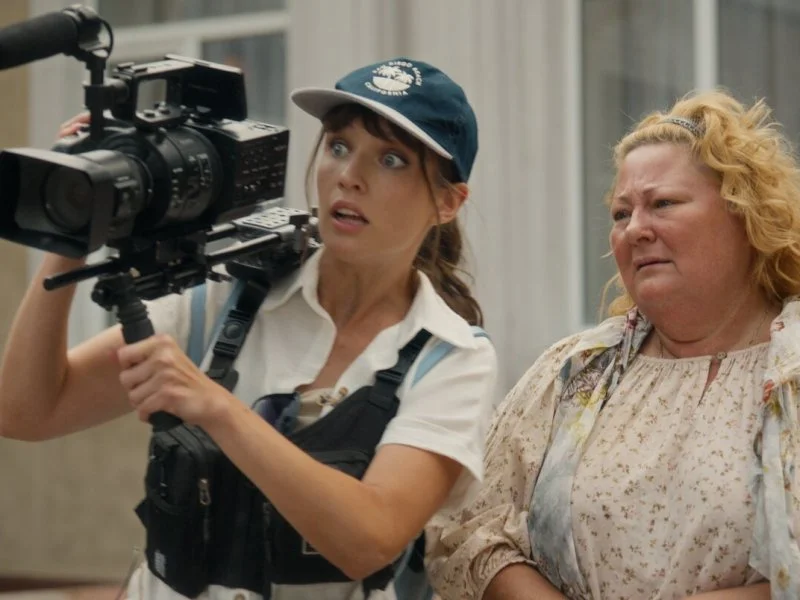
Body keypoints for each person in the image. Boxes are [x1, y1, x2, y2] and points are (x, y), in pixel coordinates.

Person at [0, 57, 498, 600]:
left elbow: (368, 539)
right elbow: (26, 411)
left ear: (447, 202)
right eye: (338, 146)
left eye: (392, 160)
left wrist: (216, 407)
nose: (349, 176)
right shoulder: (224, 295)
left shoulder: (451, 357)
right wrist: (73, 223)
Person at [426, 89, 800, 600]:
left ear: (744, 214)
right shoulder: (574, 372)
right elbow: (466, 529)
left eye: (662, 204)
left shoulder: (791, 374)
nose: (636, 229)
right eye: (622, 214)